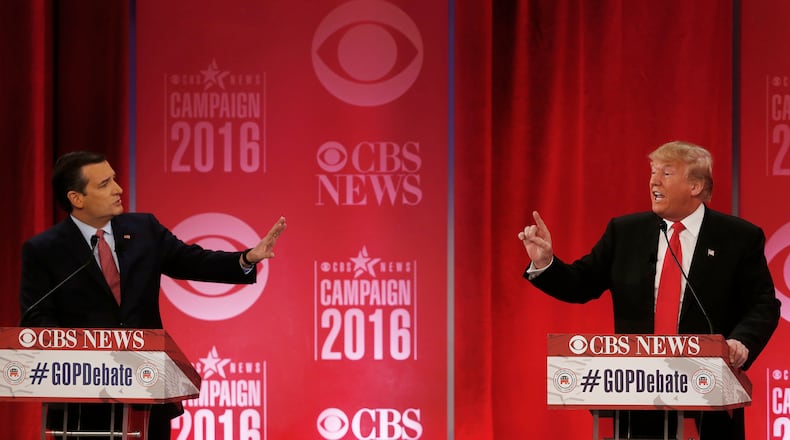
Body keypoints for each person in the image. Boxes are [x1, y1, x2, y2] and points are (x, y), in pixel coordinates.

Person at [518, 140, 780, 439]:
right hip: (637, 398)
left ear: (695, 185)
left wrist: (740, 342)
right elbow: (581, 284)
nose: (654, 180)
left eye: (666, 173)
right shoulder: (625, 231)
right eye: (653, 172)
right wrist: (546, 262)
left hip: (710, 400)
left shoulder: (739, 237)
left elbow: (763, 304)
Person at [19, 151, 287, 439]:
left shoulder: (143, 229)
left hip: (147, 392)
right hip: (82, 403)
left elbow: (192, 260)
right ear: (77, 198)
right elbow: (37, 318)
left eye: (115, 180)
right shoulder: (44, 249)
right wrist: (80, 356)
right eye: (105, 184)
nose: (118, 189)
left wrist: (246, 259)